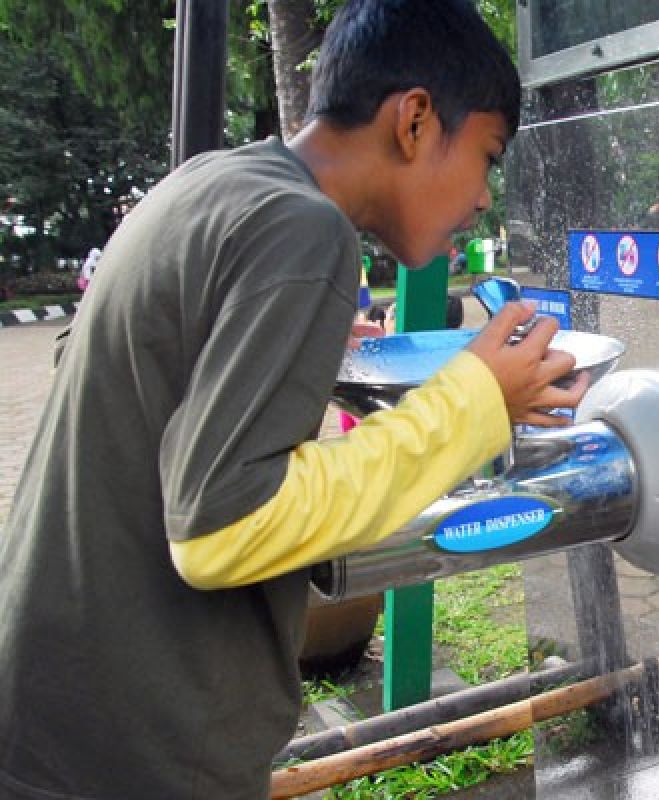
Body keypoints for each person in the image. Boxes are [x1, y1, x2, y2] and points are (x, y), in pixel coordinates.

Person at [0, 2, 587, 798]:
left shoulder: (213, 181)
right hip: (134, 752)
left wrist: (272, 341)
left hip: (48, 710)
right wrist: (479, 398)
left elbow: (102, 355)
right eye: (487, 156)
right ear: (414, 120)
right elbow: (219, 527)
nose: (484, 197)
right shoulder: (305, 230)